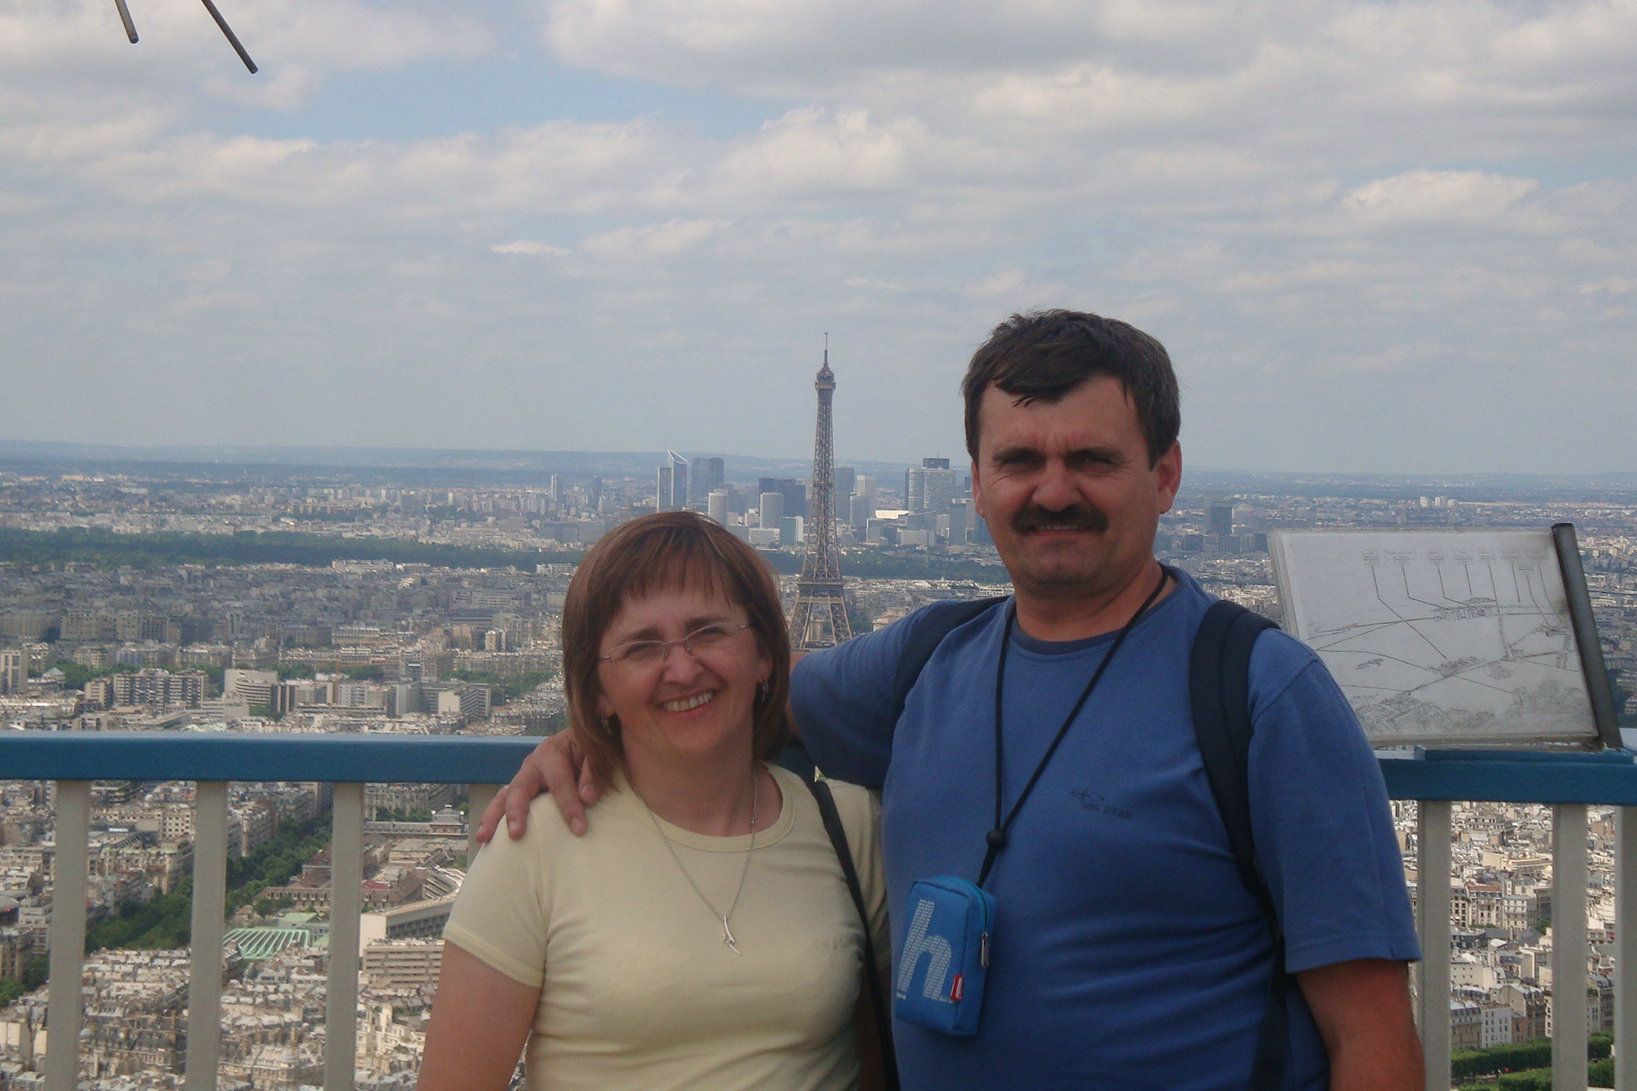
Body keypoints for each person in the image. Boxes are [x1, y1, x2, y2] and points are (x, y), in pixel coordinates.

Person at [480, 310, 1423, 1089]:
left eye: (1090, 459)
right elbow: (724, 686)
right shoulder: (924, 658)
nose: (1052, 490)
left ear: (1165, 474)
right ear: (975, 483)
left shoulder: (1260, 693)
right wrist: (585, 730)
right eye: (1019, 461)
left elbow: (1371, 1035)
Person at [421, 511, 891, 1090]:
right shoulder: (535, 846)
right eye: (643, 648)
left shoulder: (848, 828)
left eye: (709, 632)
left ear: (765, 654)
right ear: (598, 693)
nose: (683, 668)